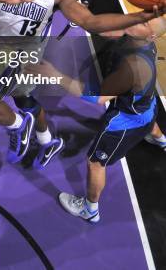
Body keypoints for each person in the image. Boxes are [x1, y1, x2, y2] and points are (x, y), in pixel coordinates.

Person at [0, 0, 165, 167]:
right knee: (23, 97)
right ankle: (47, 140)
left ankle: (18, 126)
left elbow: (91, 22)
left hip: (21, 55)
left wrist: (142, 16)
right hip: (3, 49)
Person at [54, 15, 166, 223]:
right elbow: (110, 29)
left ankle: (90, 209)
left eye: (143, 22)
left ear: (150, 35)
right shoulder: (143, 41)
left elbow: (98, 97)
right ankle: (161, 140)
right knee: (150, 122)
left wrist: (55, 75)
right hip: (147, 107)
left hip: (125, 122)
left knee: (95, 163)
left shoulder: (134, 66)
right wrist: (89, 22)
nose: (137, 20)